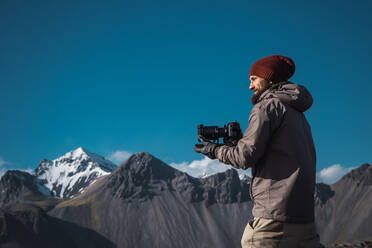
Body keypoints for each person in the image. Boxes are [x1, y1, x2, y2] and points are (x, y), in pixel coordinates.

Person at [194, 55, 324, 248]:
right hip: (303, 218)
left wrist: (215, 150)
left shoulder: (266, 107)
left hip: (273, 217)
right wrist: (241, 143)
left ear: (269, 78)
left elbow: (244, 157)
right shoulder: (298, 115)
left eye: (254, 79)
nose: (250, 86)